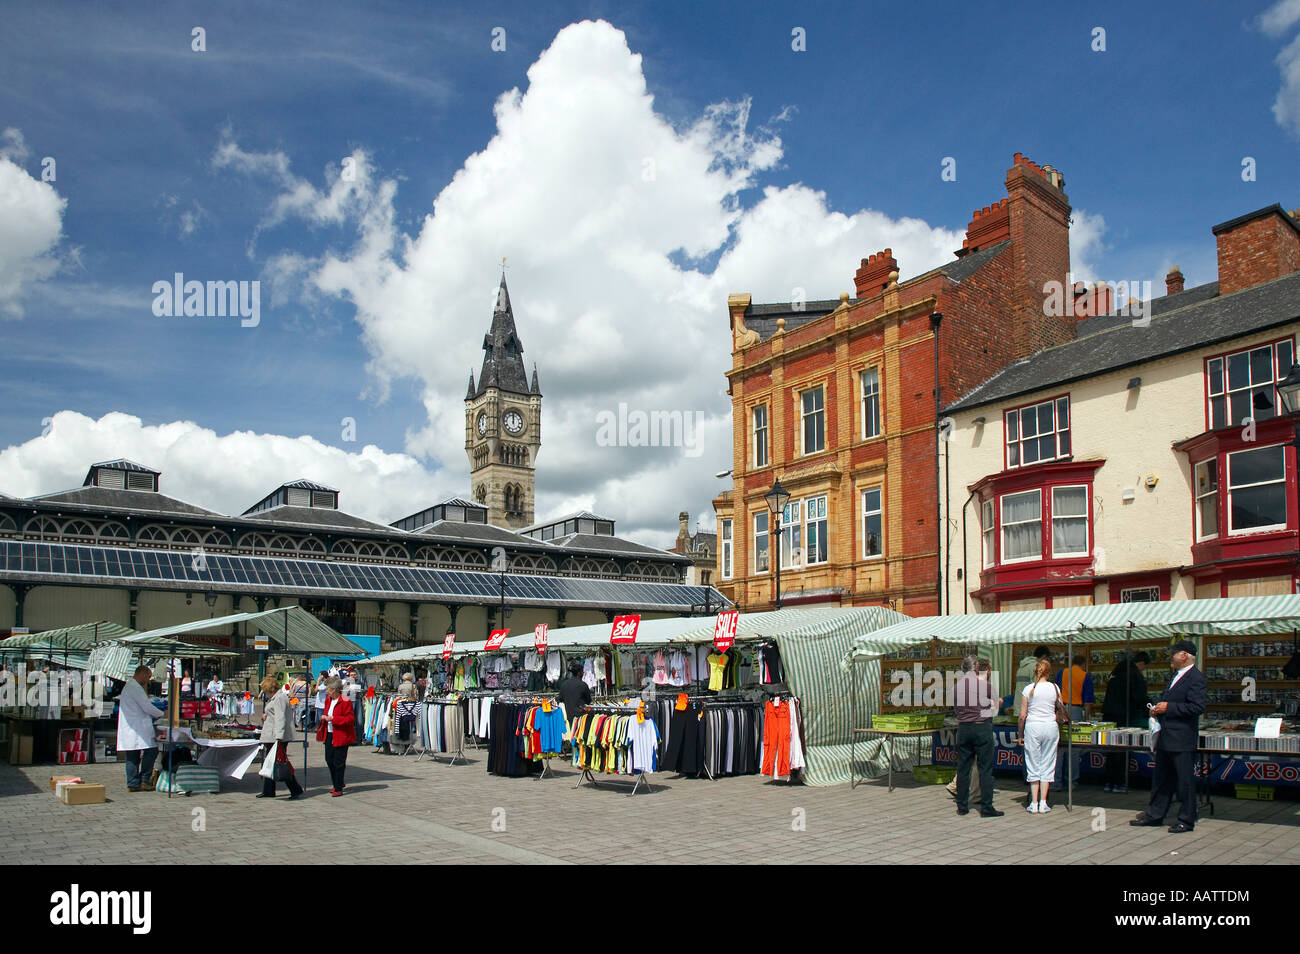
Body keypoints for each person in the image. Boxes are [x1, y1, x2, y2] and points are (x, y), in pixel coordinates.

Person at [1131, 640, 1207, 833]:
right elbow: (1168, 700)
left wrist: (1169, 707)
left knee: (1184, 781)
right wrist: (1157, 709)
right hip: (1166, 736)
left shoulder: (1196, 678)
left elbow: (1197, 707)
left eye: (1173, 653)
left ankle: (1186, 819)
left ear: (1184, 655)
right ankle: (1155, 814)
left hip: (1182, 738)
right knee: (1162, 779)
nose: (1170, 657)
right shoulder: (1176, 676)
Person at [953, 656, 1004, 817]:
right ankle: (986, 807)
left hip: (963, 728)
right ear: (975, 668)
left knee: (963, 769)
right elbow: (994, 708)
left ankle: (961, 806)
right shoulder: (985, 686)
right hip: (982, 728)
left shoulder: (956, 687)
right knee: (985, 769)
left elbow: (956, 710)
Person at [1016, 658, 1063, 813]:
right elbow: (1060, 709)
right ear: (1048, 673)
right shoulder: (1055, 688)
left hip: (1033, 727)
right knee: (1048, 763)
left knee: (1032, 763)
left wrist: (1020, 734)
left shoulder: (1029, 689)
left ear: (1035, 671)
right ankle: (1043, 802)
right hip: (1050, 726)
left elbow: (1022, 715)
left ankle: (1034, 802)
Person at [1102, 651, 1150, 792]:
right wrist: (1150, 707)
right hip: (1124, 715)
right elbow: (1140, 697)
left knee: (1111, 750)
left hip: (1109, 715)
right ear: (1142, 663)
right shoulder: (1134, 675)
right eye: (1144, 667)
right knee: (1123, 750)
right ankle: (1120, 783)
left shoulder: (1117, 671)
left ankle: (1109, 782)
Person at [117, 665, 168, 792]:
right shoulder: (135, 688)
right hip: (136, 727)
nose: (148, 680)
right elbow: (146, 707)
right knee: (151, 751)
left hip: (133, 726)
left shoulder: (131, 686)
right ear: (142, 674)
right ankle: (144, 779)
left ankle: (133, 783)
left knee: (132, 755)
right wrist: (163, 714)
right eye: (148, 676)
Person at [257, 676, 303, 799]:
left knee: (280, 763)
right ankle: (268, 790)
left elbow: (280, 717)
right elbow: (274, 715)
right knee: (270, 762)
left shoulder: (280, 698)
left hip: (276, 736)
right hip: (271, 734)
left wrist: (279, 736)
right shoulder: (275, 698)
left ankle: (295, 789)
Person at [317, 677, 356, 796]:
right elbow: (326, 712)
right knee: (329, 759)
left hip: (341, 735)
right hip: (329, 733)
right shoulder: (328, 700)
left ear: (334, 689)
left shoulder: (345, 701)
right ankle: (337, 782)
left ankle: (338, 787)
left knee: (339, 761)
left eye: (328, 689)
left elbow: (350, 719)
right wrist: (324, 717)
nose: (327, 691)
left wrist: (334, 719)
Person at [557, 660, 592, 729]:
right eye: (582, 671)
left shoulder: (564, 684)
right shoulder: (583, 685)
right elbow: (589, 701)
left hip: (567, 715)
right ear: (579, 673)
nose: (583, 673)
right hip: (580, 716)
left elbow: (560, 699)